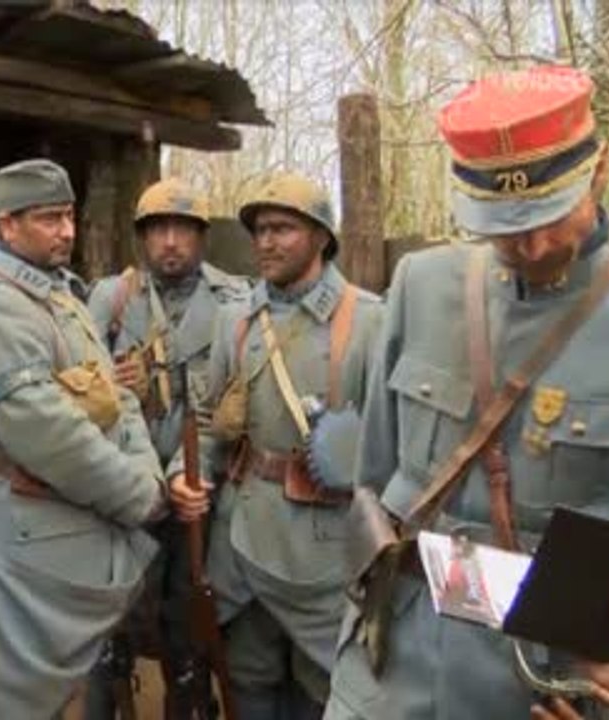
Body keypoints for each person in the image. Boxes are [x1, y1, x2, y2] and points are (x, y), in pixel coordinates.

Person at [323, 65, 609, 720]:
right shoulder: (419, 286)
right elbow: (374, 475)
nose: (527, 243)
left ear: (600, 167)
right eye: (501, 223)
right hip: (392, 670)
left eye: (548, 214)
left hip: (546, 685)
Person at [0, 158, 168, 718]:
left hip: (80, 537)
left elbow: (118, 401)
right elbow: (50, 433)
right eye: (48, 219)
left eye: (68, 216)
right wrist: (141, 496)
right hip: (22, 541)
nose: (66, 231)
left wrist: (149, 475)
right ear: (6, 224)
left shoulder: (65, 301)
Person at [168, 172, 383, 720]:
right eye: (260, 230)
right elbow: (209, 422)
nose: (265, 242)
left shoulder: (370, 321)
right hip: (243, 535)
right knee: (246, 673)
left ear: (321, 237)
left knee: (326, 684)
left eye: (283, 229)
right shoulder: (235, 320)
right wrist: (182, 474)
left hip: (326, 545)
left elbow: (394, 442)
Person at [84, 177, 248, 718]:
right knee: (110, 630)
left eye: (183, 229)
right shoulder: (111, 299)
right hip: (124, 494)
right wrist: (114, 389)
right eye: (159, 230)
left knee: (190, 629)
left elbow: (230, 407)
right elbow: (76, 394)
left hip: (198, 497)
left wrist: (189, 478)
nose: (171, 241)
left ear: (201, 236)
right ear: (143, 238)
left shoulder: (235, 301)